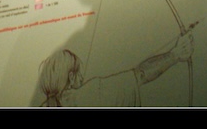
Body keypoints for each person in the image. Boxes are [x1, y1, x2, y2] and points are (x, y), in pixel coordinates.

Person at [38, 30, 194, 106]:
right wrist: (175, 55)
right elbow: (139, 76)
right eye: (78, 74)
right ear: (71, 77)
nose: (82, 78)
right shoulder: (92, 94)